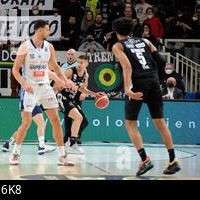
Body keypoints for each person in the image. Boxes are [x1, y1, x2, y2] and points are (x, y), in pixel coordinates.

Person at [112, 17, 181, 176]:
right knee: (160, 122)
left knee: (130, 123)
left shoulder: (117, 46)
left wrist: (128, 88)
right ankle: (173, 160)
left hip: (138, 83)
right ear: (131, 30)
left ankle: (145, 160)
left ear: (116, 32)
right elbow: (162, 60)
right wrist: (159, 80)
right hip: (153, 81)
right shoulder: (145, 41)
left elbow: (127, 66)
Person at [9, 19, 76, 166]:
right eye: (47, 29)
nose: (49, 32)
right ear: (39, 30)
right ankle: (15, 153)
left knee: (56, 121)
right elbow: (15, 70)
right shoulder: (25, 46)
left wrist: (65, 80)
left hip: (45, 87)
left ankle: (62, 156)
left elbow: (55, 67)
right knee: (26, 123)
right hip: (30, 88)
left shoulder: (49, 47)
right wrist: (24, 84)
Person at [55, 55, 104, 154]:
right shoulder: (70, 71)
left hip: (71, 99)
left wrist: (94, 94)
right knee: (78, 118)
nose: (79, 64)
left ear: (87, 64)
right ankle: (71, 143)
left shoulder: (86, 75)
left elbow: (82, 89)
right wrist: (66, 83)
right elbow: (57, 82)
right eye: (78, 62)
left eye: (82, 62)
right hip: (61, 97)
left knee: (84, 121)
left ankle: (71, 142)